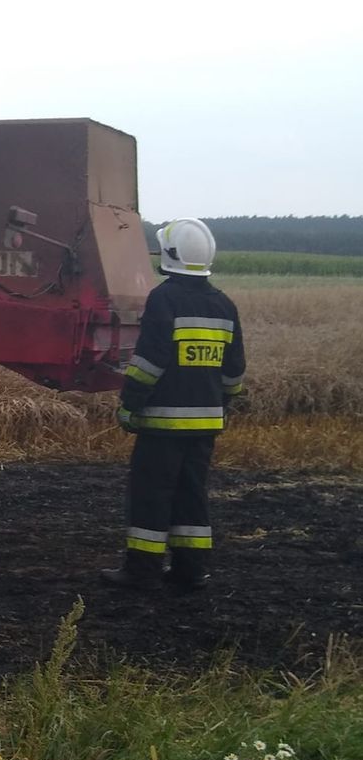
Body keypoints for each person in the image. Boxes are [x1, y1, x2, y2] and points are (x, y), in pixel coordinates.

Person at [102, 218, 247, 592]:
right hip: (205, 426)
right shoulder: (224, 305)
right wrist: (220, 403)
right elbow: (234, 371)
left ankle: (142, 571)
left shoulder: (164, 299)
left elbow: (149, 361)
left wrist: (130, 404)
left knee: (151, 495)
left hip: (162, 425)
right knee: (191, 494)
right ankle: (190, 571)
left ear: (169, 255)